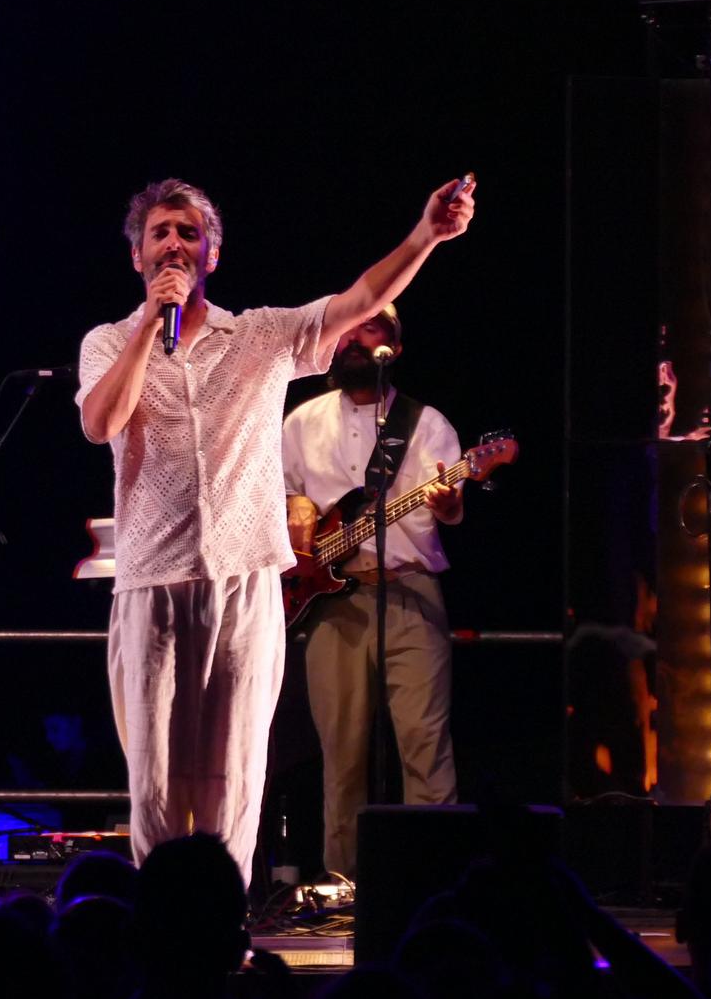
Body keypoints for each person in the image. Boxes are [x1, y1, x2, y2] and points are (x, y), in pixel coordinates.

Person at [77, 176, 474, 883]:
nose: (174, 243)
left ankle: (220, 920)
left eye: (189, 232)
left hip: (244, 579)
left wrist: (427, 236)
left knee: (233, 775)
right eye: (160, 233)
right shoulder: (108, 341)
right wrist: (148, 324)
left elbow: (357, 301)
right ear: (137, 255)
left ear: (213, 255)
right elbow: (100, 423)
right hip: (153, 583)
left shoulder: (258, 336)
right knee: (157, 781)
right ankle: (159, 928)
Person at [282, 303, 460, 879]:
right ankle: (344, 891)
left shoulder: (427, 423)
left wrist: (451, 505)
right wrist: (301, 527)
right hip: (332, 604)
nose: (356, 338)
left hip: (410, 593)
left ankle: (435, 884)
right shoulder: (301, 423)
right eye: (349, 328)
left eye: (372, 327)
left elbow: (448, 506)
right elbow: (279, 504)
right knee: (343, 759)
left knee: (424, 749)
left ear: (394, 346)